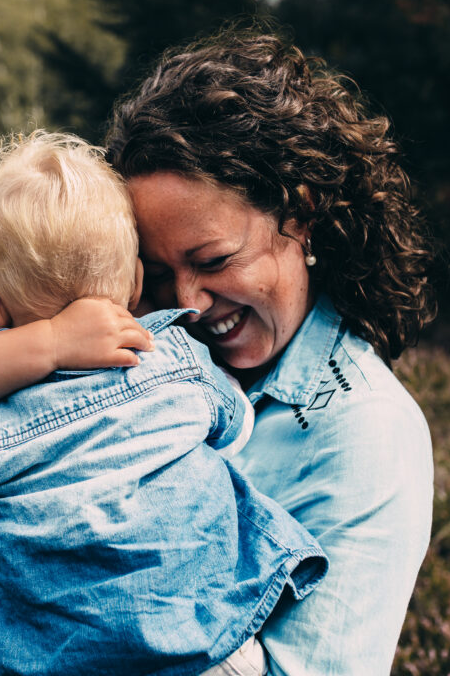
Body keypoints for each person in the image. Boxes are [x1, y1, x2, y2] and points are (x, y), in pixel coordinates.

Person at [0, 29, 435, 676]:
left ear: (303, 212)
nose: (188, 303)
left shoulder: (363, 431)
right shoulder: (126, 351)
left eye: (214, 260)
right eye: (152, 271)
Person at [0, 131, 328, 676]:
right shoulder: (171, 355)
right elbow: (234, 427)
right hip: (213, 638)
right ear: (134, 283)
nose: (185, 303)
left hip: (46, 654)